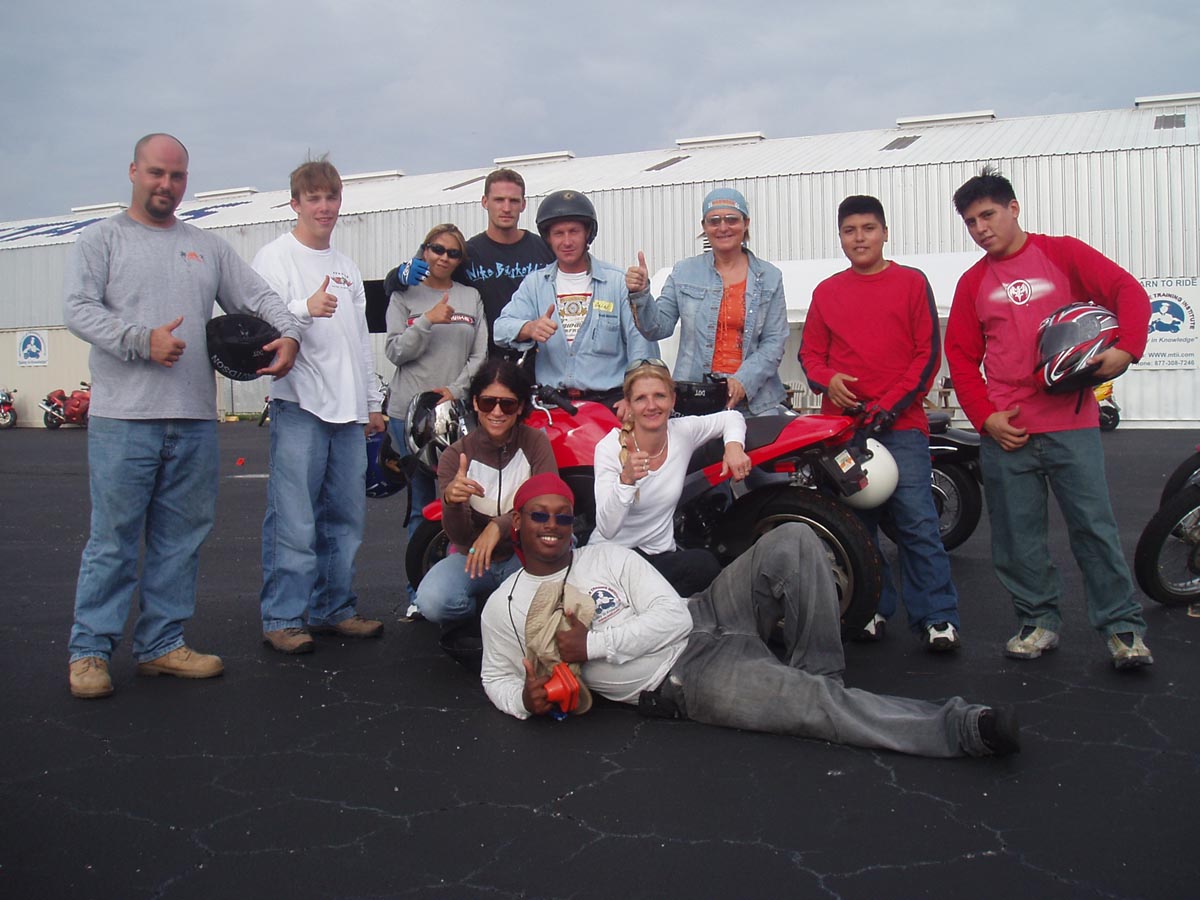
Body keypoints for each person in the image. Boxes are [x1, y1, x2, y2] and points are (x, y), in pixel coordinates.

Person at [480, 474, 1020, 758]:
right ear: (517, 524)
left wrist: (590, 647)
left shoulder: (606, 556)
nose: (552, 526)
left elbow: (672, 617)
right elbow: (496, 677)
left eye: (563, 517)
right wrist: (524, 702)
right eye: (539, 516)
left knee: (794, 539)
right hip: (683, 679)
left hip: (706, 614)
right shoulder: (505, 606)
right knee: (815, 705)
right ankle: (960, 729)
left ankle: (819, 675)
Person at [63, 133, 301, 699]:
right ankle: (89, 652)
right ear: (133, 172)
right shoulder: (102, 239)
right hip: (124, 420)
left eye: (176, 176)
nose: (166, 185)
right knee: (113, 541)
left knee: (180, 540)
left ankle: (161, 645)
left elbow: (259, 297)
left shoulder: (206, 247)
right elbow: (77, 309)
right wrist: (139, 340)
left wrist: (289, 332)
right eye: (156, 173)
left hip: (193, 419)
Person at [944, 166, 1153, 669]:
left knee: (1094, 530)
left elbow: (1128, 292)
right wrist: (986, 419)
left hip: (1071, 425)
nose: (981, 229)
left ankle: (1123, 629)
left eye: (988, 215)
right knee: (1017, 539)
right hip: (1007, 433)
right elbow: (961, 357)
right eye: (971, 222)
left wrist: (1128, 349)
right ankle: (1037, 621)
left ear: (1013, 208)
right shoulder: (973, 282)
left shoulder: (1063, 254)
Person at [800, 195, 961, 651]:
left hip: (901, 427)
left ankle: (938, 618)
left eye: (868, 228)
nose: (860, 238)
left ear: (885, 233)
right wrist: (828, 381)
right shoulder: (826, 292)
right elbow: (810, 355)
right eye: (850, 230)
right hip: (843, 432)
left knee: (917, 522)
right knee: (856, 525)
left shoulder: (911, 283)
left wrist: (887, 407)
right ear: (840, 237)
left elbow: (926, 355)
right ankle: (870, 608)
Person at [251, 158, 385, 655]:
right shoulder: (275, 258)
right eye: (314, 198)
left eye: (331, 197)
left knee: (346, 519)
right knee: (294, 519)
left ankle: (333, 607)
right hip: (301, 404)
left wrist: (371, 401)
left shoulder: (346, 267)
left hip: (348, 411)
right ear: (295, 203)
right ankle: (283, 616)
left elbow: (360, 341)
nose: (324, 207)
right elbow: (261, 328)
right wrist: (303, 310)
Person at [384, 223, 489, 613]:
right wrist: (427, 320)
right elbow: (395, 352)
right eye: (437, 249)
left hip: (455, 414)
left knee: (460, 500)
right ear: (424, 251)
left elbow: (480, 355)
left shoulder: (470, 297)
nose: (444, 257)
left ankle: (459, 584)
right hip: (409, 415)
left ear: (461, 259)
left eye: (453, 252)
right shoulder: (403, 296)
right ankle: (417, 593)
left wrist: (456, 389)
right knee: (420, 505)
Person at [416, 359, 557, 626]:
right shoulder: (454, 455)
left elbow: (548, 508)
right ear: (475, 403)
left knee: (546, 596)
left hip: (524, 553)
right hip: (474, 556)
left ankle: (505, 612)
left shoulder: (535, 442)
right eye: (487, 402)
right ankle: (487, 614)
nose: (497, 412)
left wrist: (499, 526)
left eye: (508, 404)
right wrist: (451, 502)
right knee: (431, 602)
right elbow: (459, 537)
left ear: (521, 407)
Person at [592, 359, 750, 595]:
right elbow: (607, 528)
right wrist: (625, 481)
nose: (651, 406)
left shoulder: (682, 431)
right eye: (641, 398)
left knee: (705, 565)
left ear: (673, 399)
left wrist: (734, 446)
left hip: (657, 559)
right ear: (629, 404)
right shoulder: (609, 448)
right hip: (613, 559)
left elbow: (731, 417)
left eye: (659, 396)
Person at [493, 189, 659, 415]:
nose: (567, 241)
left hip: (609, 407)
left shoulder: (618, 283)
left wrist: (634, 397)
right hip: (551, 407)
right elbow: (500, 329)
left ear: (588, 234)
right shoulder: (534, 284)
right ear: (548, 238)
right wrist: (528, 328)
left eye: (574, 232)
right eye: (558, 233)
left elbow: (643, 349)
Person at [625, 188, 789, 415]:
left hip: (755, 402)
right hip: (694, 400)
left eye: (731, 219)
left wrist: (743, 380)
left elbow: (774, 341)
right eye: (714, 221)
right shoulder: (683, 271)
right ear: (704, 226)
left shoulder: (770, 277)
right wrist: (641, 293)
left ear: (746, 223)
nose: (723, 227)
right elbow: (657, 328)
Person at [383, 168, 555, 358]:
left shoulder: (545, 250)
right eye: (499, 200)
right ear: (485, 202)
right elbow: (406, 283)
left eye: (513, 201)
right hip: (485, 360)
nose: (506, 208)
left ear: (523, 204)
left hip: (538, 357)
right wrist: (397, 275)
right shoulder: (465, 253)